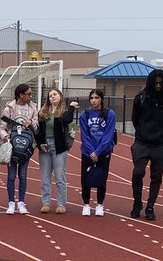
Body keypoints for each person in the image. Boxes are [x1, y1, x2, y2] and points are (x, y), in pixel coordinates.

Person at [129, 68, 163, 219]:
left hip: (159, 145)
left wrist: (162, 134)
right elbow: (135, 119)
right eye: (155, 83)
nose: (158, 86)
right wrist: (143, 132)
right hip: (141, 143)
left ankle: (150, 205)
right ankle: (137, 203)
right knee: (138, 173)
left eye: (161, 83)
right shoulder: (140, 98)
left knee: (156, 177)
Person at [0, 83, 39, 214]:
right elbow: (1, 128)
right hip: (12, 148)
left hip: (26, 148)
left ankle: (21, 203)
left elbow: (37, 129)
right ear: (20, 95)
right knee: (11, 176)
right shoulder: (9, 108)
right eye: (28, 94)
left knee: (23, 175)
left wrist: (31, 123)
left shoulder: (33, 108)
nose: (31, 96)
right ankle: (11, 203)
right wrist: (6, 138)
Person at [35, 87, 75, 213]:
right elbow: (38, 131)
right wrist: (40, 144)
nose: (52, 97)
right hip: (45, 147)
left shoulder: (63, 112)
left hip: (59, 148)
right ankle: (46, 203)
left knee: (60, 176)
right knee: (45, 177)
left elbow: (68, 120)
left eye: (55, 94)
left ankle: (61, 204)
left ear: (60, 97)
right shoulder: (42, 113)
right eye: (50, 95)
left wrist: (72, 107)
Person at [78, 88, 116, 216]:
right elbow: (84, 135)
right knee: (85, 179)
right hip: (87, 152)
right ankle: (86, 204)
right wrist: (91, 151)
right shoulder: (85, 114)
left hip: (103, 152)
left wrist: (98, 152)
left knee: (102, 178)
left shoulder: (110, 114)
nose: (93, 100)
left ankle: (100, 204)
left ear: (101, 99)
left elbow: (108, 135)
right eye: (91, 98)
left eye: (96, 98)